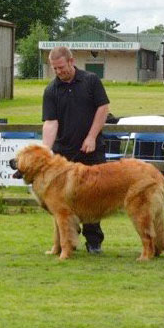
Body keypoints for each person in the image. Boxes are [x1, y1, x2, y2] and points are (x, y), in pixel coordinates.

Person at [41, 46, 110, 254]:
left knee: (92, 198)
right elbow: (50, 122)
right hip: (64, 154)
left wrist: (91, 136)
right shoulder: (51, 90)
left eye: (61, 67)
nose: (59, 72)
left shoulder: (90, 81)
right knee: (62, 203)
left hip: (91, 151)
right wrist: (46, 150)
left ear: (71, 61)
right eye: (55, 69)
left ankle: (94, 241)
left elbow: (103, 108)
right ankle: (66, 242)